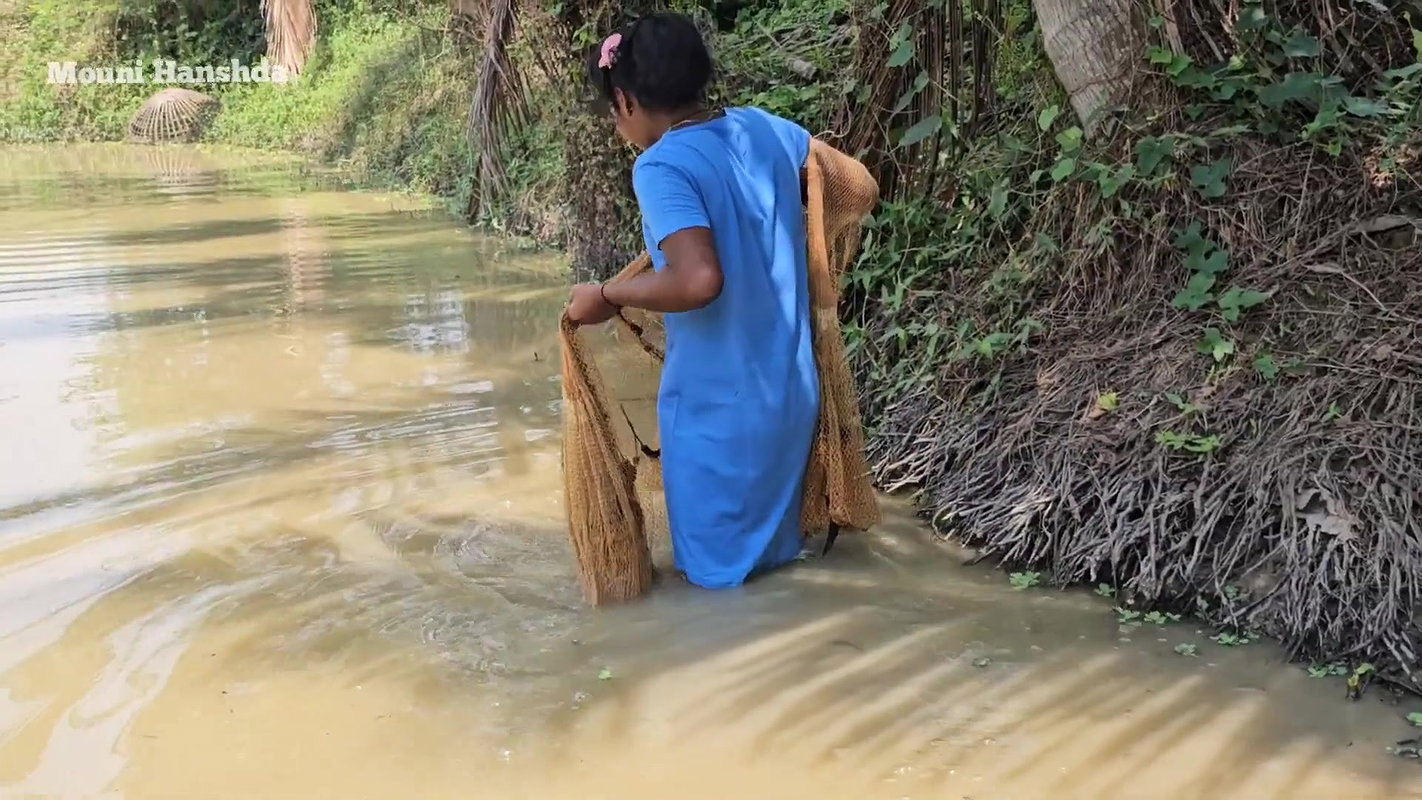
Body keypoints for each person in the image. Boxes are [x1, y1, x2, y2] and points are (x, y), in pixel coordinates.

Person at [564, 11, 818, 589]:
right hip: (789, 396)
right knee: (772, 571)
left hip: (720, 415)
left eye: (612, 110)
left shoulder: (661, 166)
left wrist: (608, 294)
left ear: (626, 100)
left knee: (717, 591)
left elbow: (699, 280)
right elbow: (851, 179)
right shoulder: (765, 129)